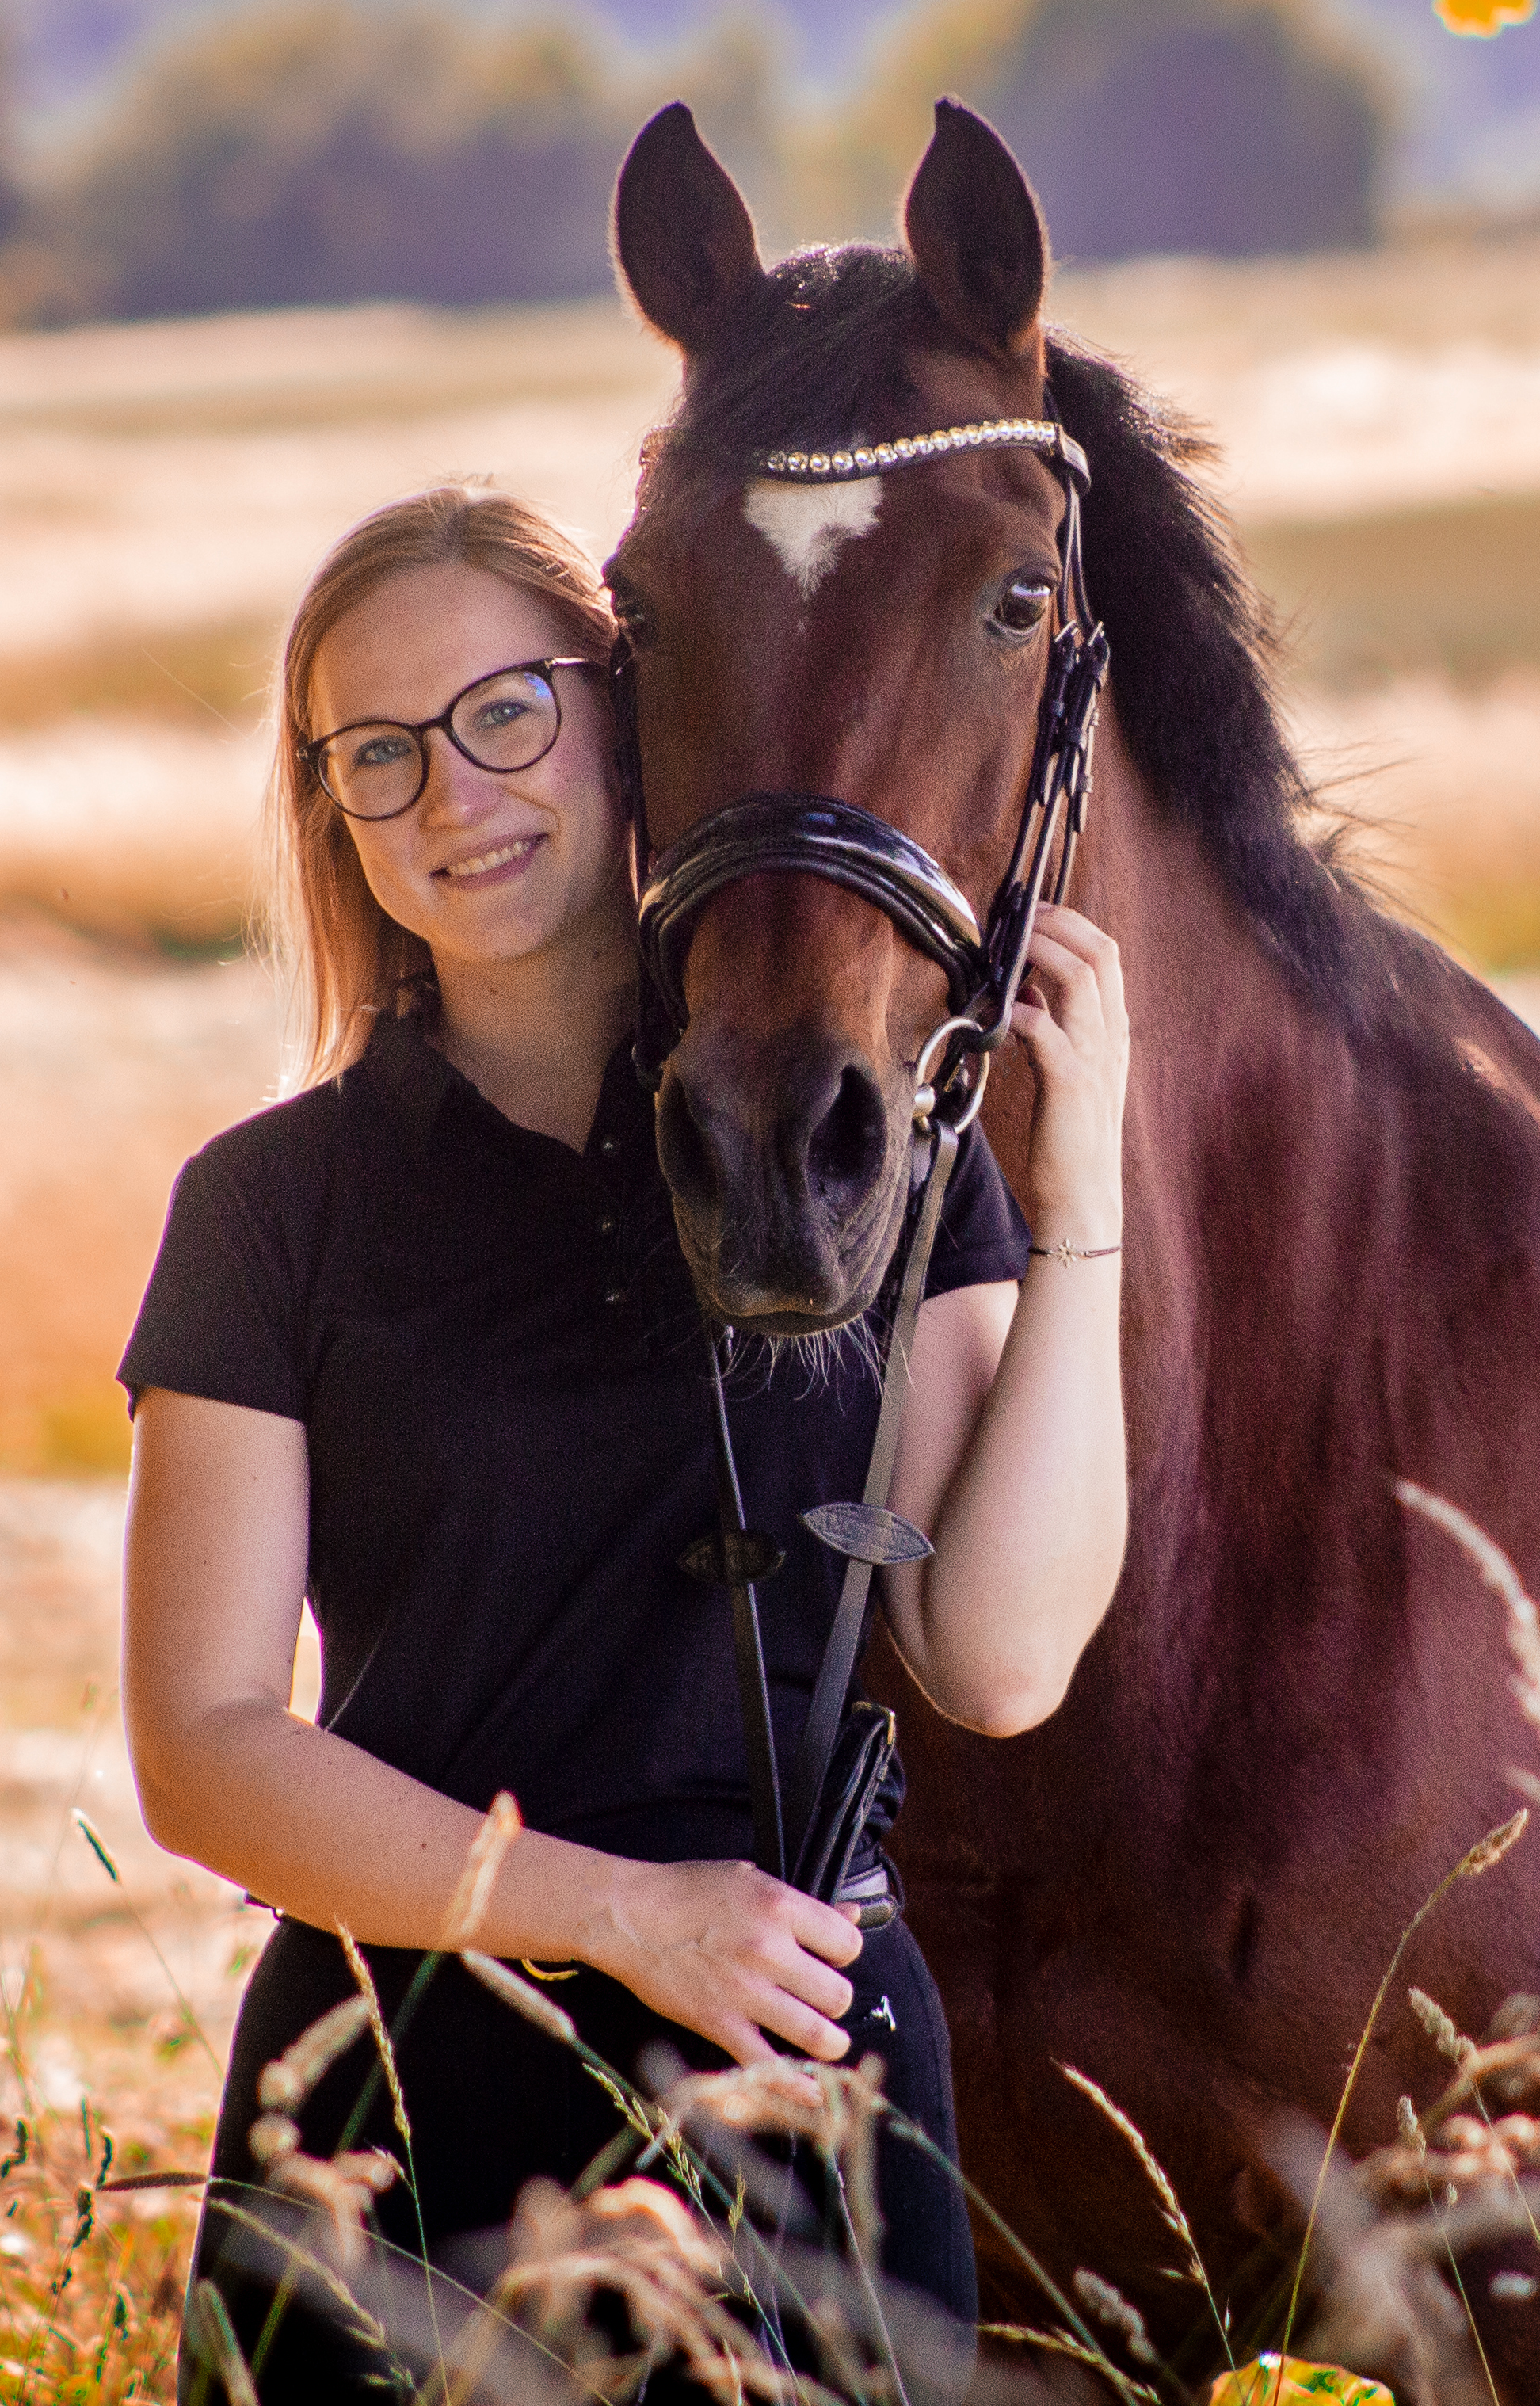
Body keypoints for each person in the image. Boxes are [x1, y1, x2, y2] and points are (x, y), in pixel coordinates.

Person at [119, 485, 1129, 2400]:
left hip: (807, 2087)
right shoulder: (267, 1205)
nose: (451, 796)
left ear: (622, 703)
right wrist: (620, 1915)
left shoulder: (877, 1148)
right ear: (329, 804)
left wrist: (1079, 1215)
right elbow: (203, 1748)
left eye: (504, 713)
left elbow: (997, 1657)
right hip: (390, 2111)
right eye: (378, 756)